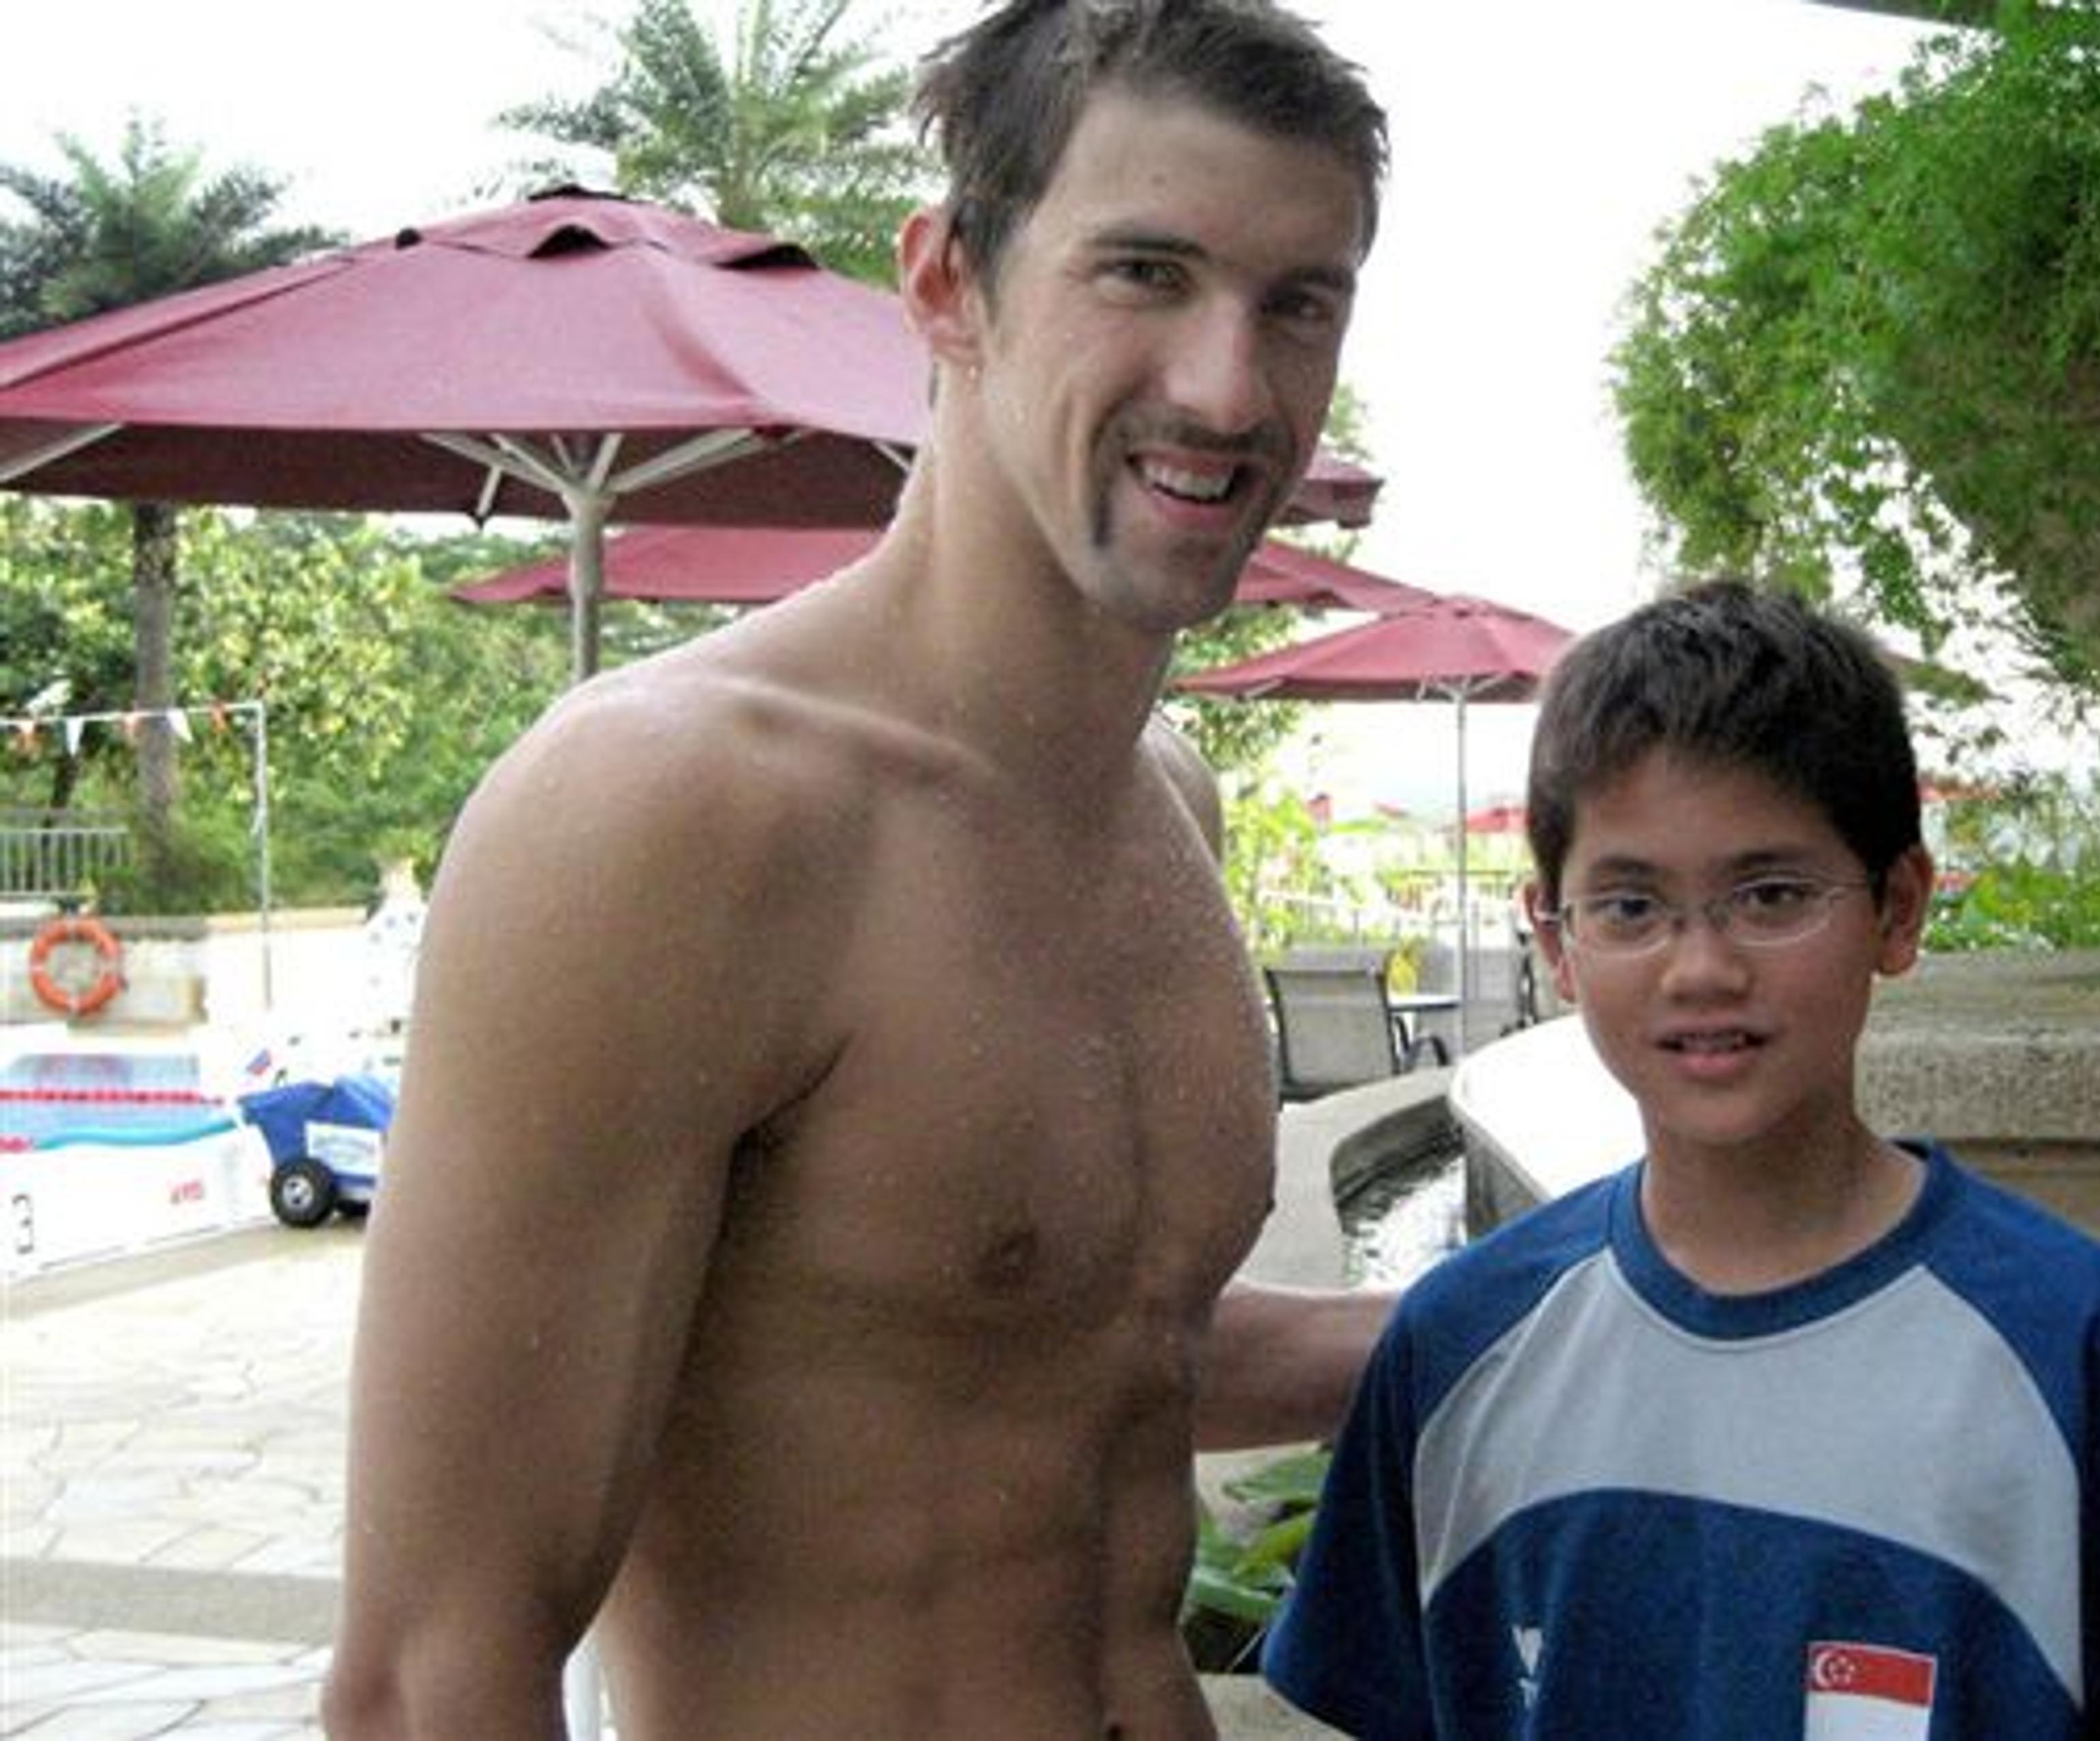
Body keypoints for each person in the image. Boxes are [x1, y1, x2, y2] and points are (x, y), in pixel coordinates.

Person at [323, 4, 1390, 1736]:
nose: (1228, 386)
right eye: (1144, 273)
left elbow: (1075, 1344)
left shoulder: (1163, 811)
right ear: (947, 282)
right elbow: (435, 1667)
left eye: (1299, 303)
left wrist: (1581, 1295)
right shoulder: (678, 813)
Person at [1262, 582, 2100, 1738]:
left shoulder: (2084, 1351)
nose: (1701, 967)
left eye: (1773, 895)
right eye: (1632, 905)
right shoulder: (1456, 1347)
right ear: (1556, 943)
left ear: (1898, 909)